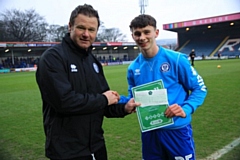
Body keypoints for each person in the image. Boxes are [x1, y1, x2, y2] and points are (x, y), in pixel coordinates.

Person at [36, 4, 140, 160]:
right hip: (67, 151)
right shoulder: (53, 58)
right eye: (81, 28)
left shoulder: (93, 62)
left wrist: (124, 108)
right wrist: (104, 99)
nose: (86, 34)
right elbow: (64, 102)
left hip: (96, 146)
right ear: (70, 26)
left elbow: (104, 103)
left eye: (91, 30)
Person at [119, 14, 207, 160]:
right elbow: (133, 98)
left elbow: (200, 88)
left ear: (156, 33)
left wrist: (185, 109)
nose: (142, 37)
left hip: (176, 131)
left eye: (147, 32)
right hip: (149, 132)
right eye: (137, 33)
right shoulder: (133, 68)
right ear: (133, 36)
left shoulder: (177, 59)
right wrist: (122, 101)